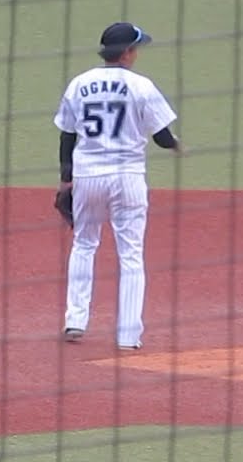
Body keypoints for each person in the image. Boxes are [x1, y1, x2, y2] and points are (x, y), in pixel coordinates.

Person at [54, 22, 181, 351]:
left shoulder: (79, 83)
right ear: (126, 53)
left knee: (84, 245)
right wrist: (178, 146)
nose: (136, 54)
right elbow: (161, 136)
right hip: (127, 178)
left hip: (88, 176)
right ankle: (128, 336)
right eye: (135, 48)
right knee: (131, 256)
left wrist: (66, 179)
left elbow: (67, 136)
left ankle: (75, 320)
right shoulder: (141, 86)